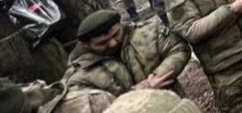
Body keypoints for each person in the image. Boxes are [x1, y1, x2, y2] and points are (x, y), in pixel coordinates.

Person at [62, 9, 190, 97]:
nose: (112, 43)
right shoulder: (78, 75)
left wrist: (159, 75)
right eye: (102, 43)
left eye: (116, 34)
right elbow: (92, 106)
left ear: (120, 24)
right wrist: (145, 89)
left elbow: (178, 49)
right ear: (87, 45)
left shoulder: (147, 32)